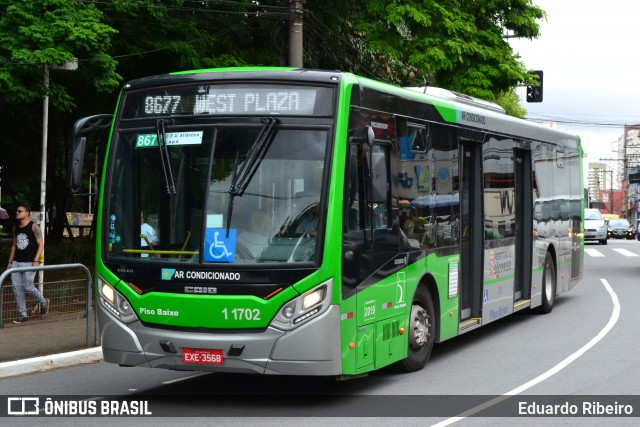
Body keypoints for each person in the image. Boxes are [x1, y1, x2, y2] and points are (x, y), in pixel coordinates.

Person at [6, 204, 48, 323]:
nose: (17, 213)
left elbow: (41, 244)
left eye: (20, 211)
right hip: (16, 262)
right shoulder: (16, 228)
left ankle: (43, 301)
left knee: (28, 286)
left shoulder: (34, 227)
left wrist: (36, 260)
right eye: (17, 211)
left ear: (27, 213)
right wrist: (10, 262)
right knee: (17, 289)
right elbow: (14, 245)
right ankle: (23, 315)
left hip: (29, 262)